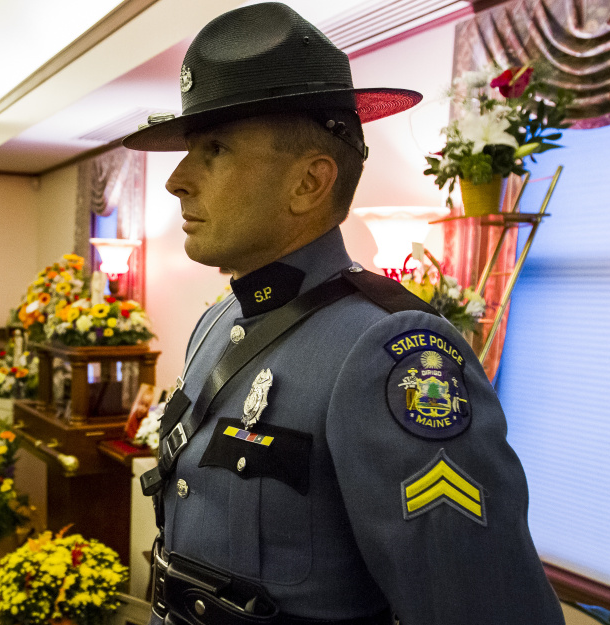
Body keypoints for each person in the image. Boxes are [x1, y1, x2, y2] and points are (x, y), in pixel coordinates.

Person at [121, 4, 564, 625]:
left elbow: (479, 606)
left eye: (214, 149)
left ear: (309, 182)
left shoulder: (390, 352)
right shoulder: (217, 324)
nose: (177, 180)